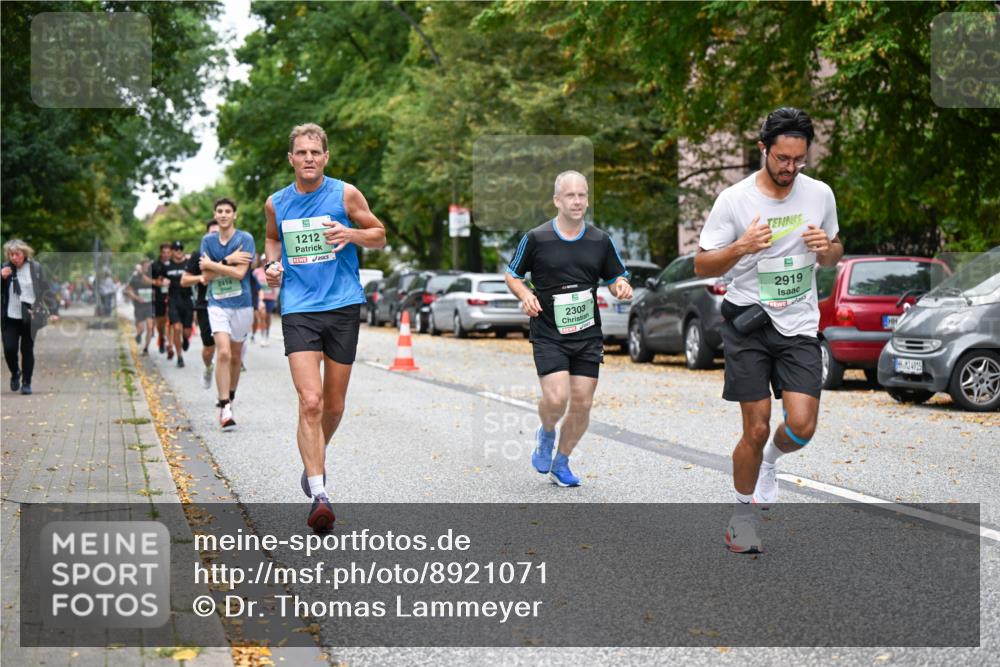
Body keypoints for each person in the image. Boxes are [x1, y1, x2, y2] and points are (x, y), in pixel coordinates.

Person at [694, 107, 843, 554]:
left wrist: (825, 250)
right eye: (782, 158)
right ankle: (741, 520)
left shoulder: (819, 194)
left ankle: (771, 465)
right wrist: (742, 246)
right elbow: (703, 264)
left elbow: (835, 249)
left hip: (798, 322)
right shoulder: (734, 200)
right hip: (749, 323)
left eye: (799, 160)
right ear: (763, 149)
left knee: (802, 425)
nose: (790, 168)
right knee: (755, 428)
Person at [263, 123, 386, 532]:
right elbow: (272, 241)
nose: (309, 158)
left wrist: (350, 233)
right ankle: (319, 493)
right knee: (310, 401)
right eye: (301, 152)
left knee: (333, 405)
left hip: (343, 306)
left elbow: (379, 235)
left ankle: (314, 454)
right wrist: (272, 267)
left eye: (315, 152)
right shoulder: (276, 203)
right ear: (291, 159)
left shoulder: (345, 193)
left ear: (326, 157)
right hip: (299, 309)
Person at [504, 170, 632, 487]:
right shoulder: (537, 238)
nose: (577, 201)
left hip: (587, 333)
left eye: (582, 195)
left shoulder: (600, 241)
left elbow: (617, 276)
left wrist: (621, 287)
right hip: (549, 332)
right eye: (571, 195)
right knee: (557, 398)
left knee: (583, 402)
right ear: (557, 200)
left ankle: (561, 461)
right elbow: (512, 274)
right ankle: (546, 432)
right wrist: (526, 294)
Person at [199, 198, 255, 430]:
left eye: (227, 211)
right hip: (217, 303)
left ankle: (230, 396)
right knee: (222, 352)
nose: (223, 214)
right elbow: (206, 276)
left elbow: (241, 274)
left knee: (234, 356)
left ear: (235, 215)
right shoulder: (208, 240)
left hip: (242, 304)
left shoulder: (245, 239)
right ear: (215, 213)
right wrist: (227, 261)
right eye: (219, 211)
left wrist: (215, 264)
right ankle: (225, 406)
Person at [2, 239, 60, 395]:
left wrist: (54, 310)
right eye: (11, 254)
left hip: (30, 316)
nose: (14, 257)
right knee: (9, 349)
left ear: (24, 254)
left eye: (17, 254)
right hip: (10, 317)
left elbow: (45, 289)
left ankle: (26, 382)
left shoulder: (35, 268)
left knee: (27, 349)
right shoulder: (5, 269)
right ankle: (15, 372)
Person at [182, 219, 221, 389]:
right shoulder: (198, 255)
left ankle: (225, 394)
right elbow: (184, 280)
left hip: (228, 304)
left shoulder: (232, 252)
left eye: (218, 233)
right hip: (205, 305)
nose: (215, 236)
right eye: (212, 233)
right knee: (209, 348)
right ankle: (208, 366)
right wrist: (201, 278)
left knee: (226, 349)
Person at [163, 240, 194, 368]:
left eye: (180, 249)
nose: (178, 251)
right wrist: (161, 282)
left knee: (186, 332)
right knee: (176, 328)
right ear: (172, 252)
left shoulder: (188, 264)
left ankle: (186, 339)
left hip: (187, 300)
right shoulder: (166, 266)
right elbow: (158, 278)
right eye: (176, 249)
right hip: (173, 300)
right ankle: (179, 357)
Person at [124, 260, 156, 354]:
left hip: (150, 305)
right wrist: (136, 297)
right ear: (141, 267)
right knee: (141, 328)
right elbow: (128, 290)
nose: (147, 268)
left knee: (150, 326)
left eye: (148, 266)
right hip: (139, 306)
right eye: (145, 266)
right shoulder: (135, 278)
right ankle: (139, 334)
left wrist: (155, 293)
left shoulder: (152, 276)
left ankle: (146, 348)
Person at [150, 243, 174, 359]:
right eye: (164, 252)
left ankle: (170, 345)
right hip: (159, 296)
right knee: (161, 322)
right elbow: (150, 280)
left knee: (171, 321)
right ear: (160, 253)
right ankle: (161, 337)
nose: (166, 255)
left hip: (173, 296)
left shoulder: (174, 264)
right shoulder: (155, 265)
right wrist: (159, 283)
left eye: (168, 252)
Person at [253, 255, 278, 346]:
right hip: (260, 299)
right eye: (263, 261)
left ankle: (267, 334)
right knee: (261, 317)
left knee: (268, 318)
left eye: (266, 261)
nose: (265, 262)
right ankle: (262, 336)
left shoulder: (273, 272)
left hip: (270, 299)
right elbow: (253, 284)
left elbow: (277, 285)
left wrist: (275, 300)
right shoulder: (256, 272)